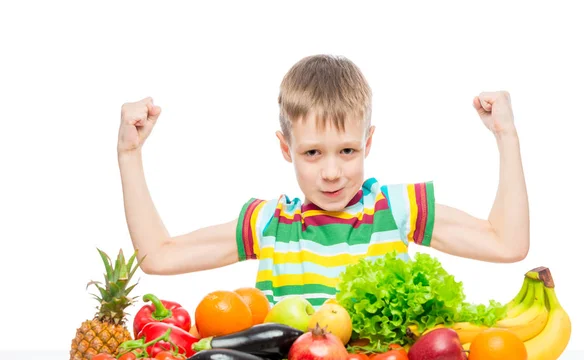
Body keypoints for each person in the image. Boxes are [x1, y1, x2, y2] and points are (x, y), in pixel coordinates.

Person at [117, 54, 529, 308]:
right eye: (312, 153)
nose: (332, 172)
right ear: (285, 148)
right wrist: (129, 154)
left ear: (368, 143)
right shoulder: (271, 224)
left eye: (347, 151)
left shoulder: (395, 209)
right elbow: (158, 257)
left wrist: (506, 136)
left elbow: (506, 243)